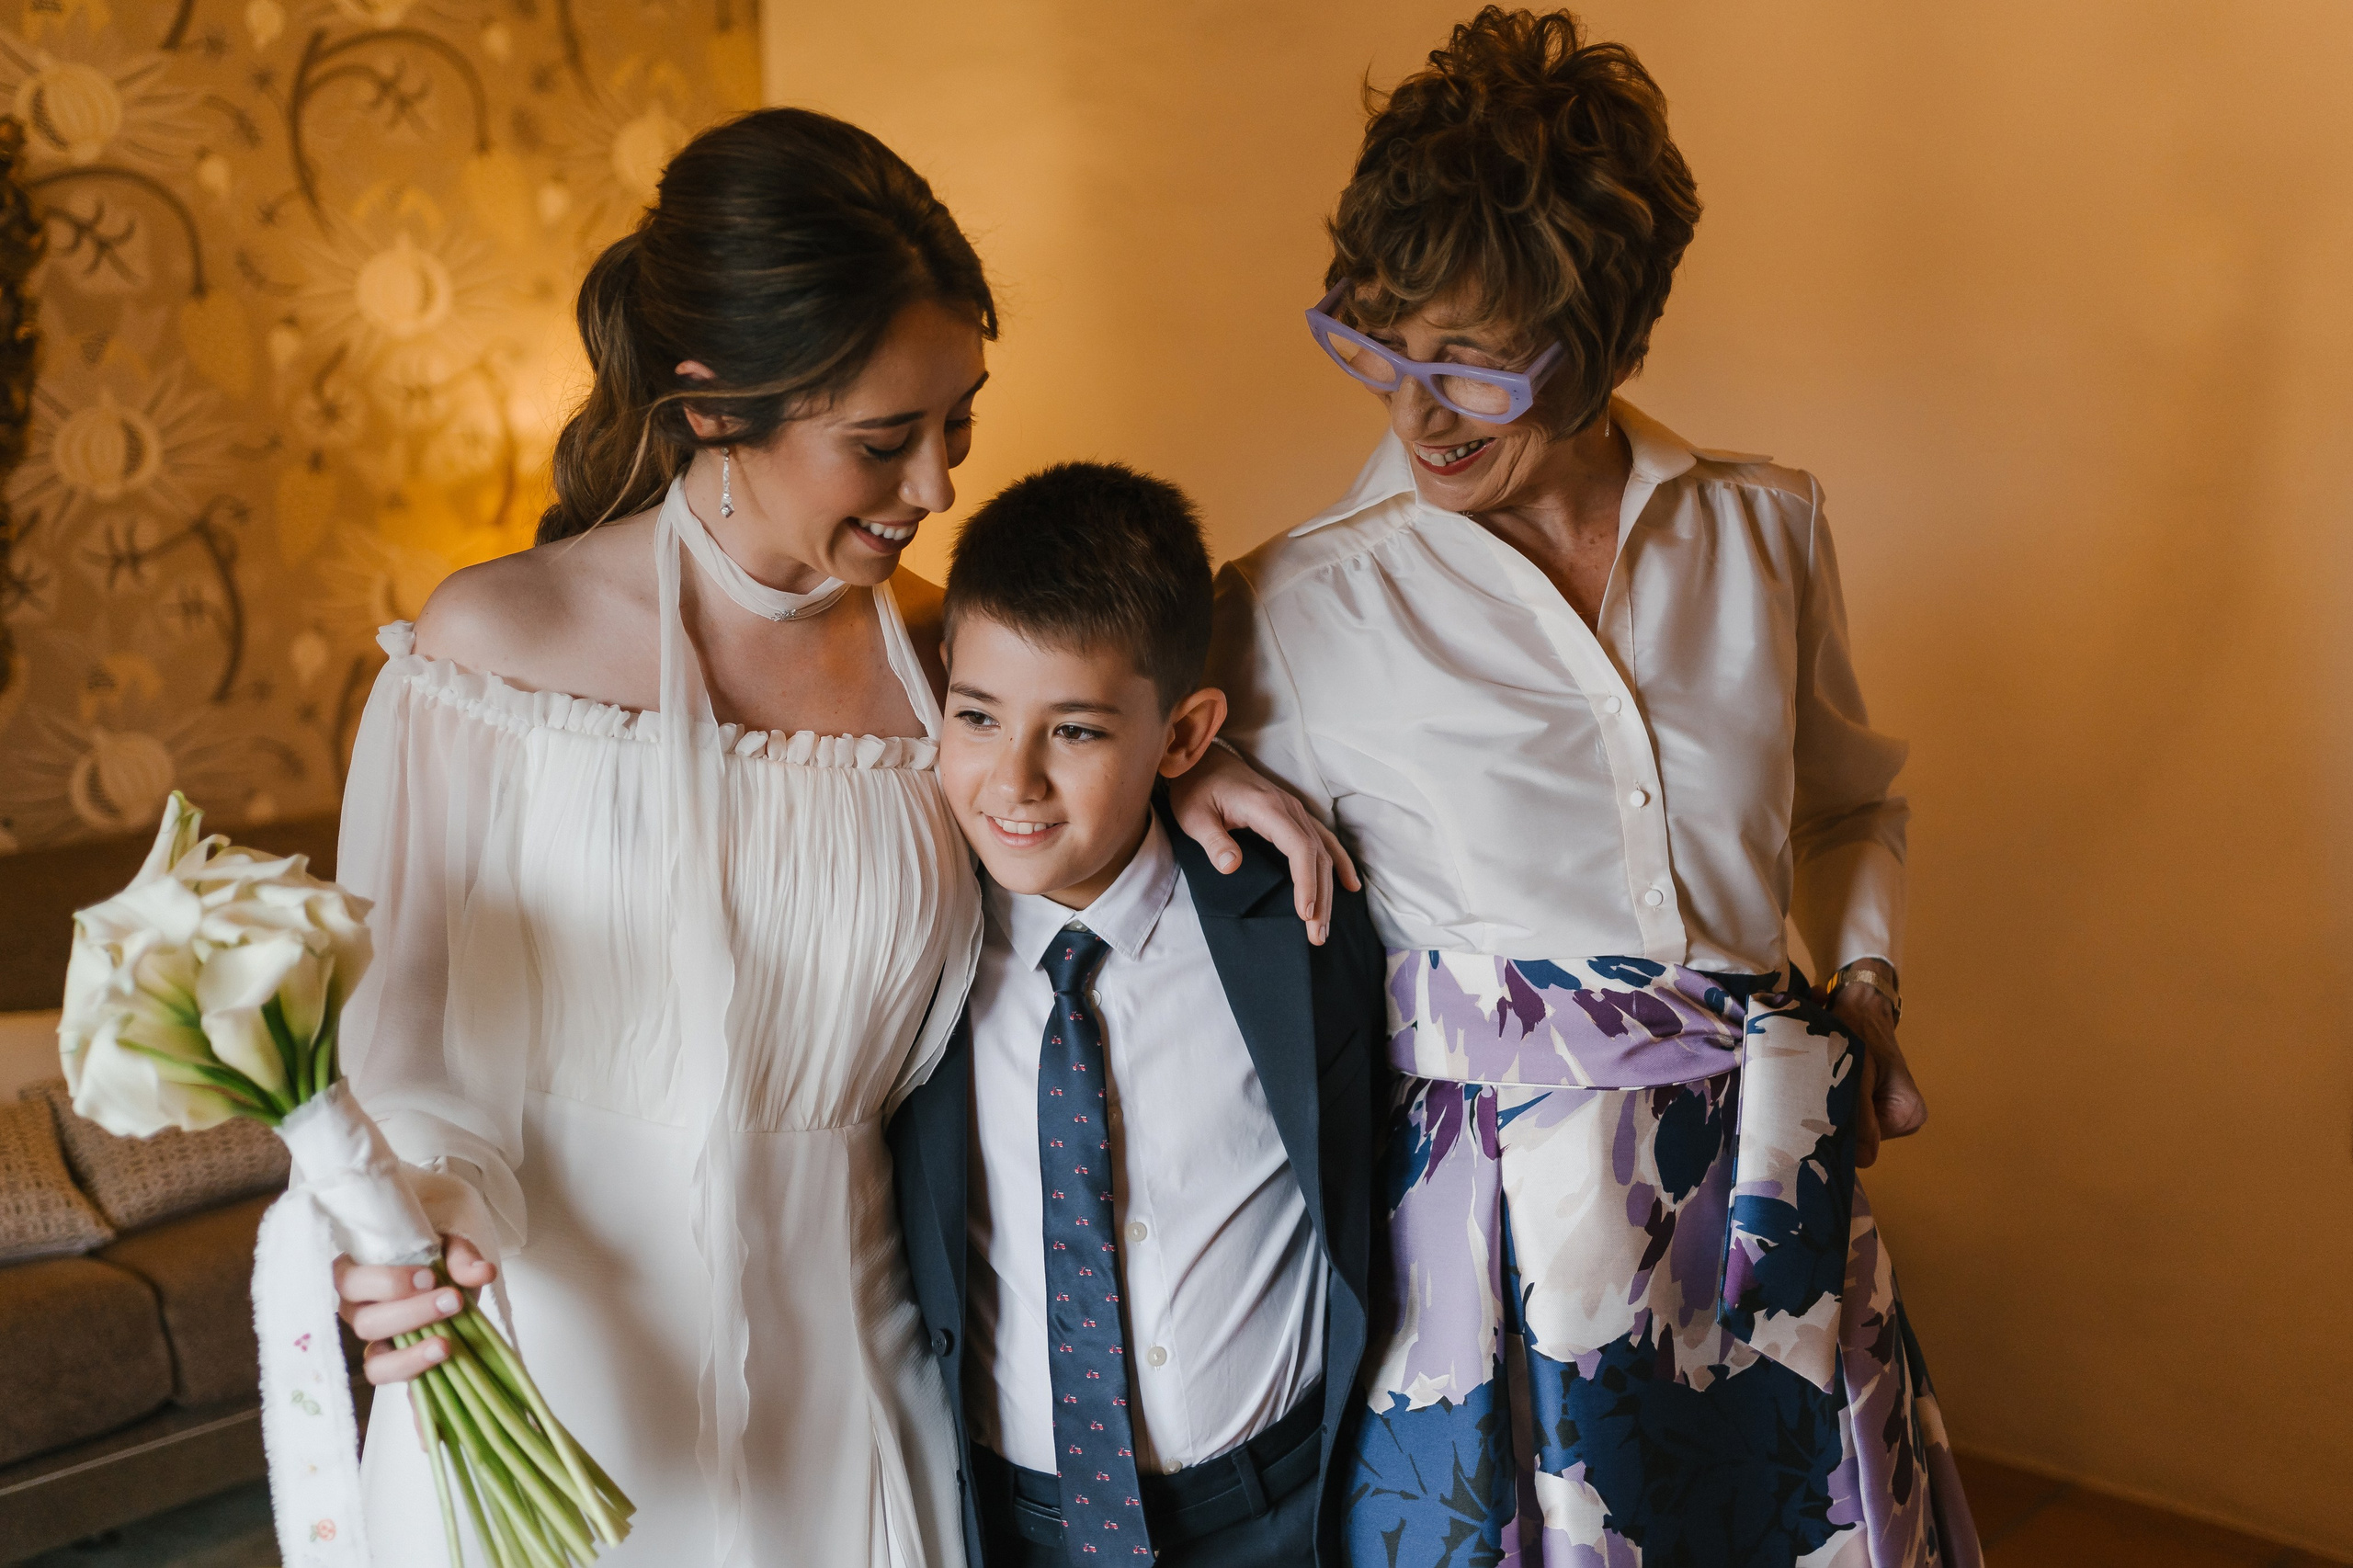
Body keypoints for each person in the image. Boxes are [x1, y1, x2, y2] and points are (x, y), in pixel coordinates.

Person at [326, 110, 1347, 1565]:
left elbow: (1082, 731)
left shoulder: (945, 673)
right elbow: (394, 1040)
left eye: (958, 423)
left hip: (857, 1384)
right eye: (883, 441)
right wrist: (408, 1230)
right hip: (550, 1356)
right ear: (711, 407)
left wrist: (1193, 771)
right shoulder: (492, 650)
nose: (937, 487)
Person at [1211, 10, 1980, 1565]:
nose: (1417, 414)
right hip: (1499, 1243)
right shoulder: (1293, 602)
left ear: (1611, 343)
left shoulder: (1767, 530)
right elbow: (1077, 754)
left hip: (1768, 1178)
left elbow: (1843, 804)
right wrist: (1192, 776)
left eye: (1473, 370)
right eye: (1382, 347)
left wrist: (1868, 986)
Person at [891, 462, 1385, 1568]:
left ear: (1183, 735)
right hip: (1009, 1519)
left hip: (1278, 1506)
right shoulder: (908, 930)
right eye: (977, 715)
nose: (1013, 781)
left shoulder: (1293, 917)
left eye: (1074, 731)